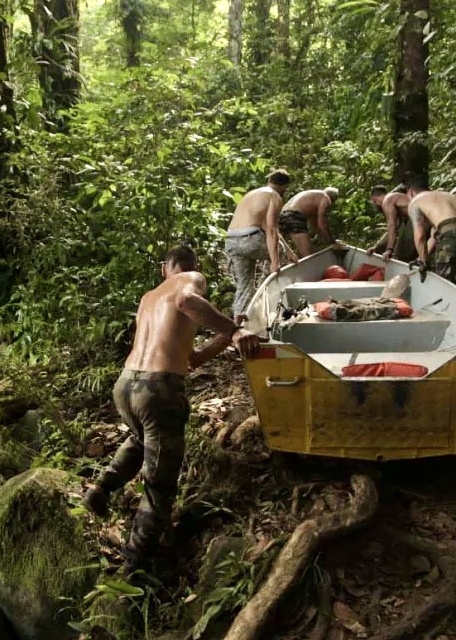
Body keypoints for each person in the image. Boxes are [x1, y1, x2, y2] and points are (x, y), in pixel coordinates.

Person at [83, 245, 262, 575]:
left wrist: (228, 335)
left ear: (166, 267)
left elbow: (190, 359)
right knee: (160, 487)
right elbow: (187, 301)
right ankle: (136, 565)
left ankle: (100, 490)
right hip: (159, 390)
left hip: (126, 385)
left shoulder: (149, 297)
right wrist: (234, 331)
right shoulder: (189, 279)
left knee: (141, 440)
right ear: (185, 267)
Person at [225, 169, 291, 324]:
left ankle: (238, 326)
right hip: (251, 241)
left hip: (232, 242)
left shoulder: (252, 194)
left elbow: (264, 226)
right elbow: (271, 230)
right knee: (277, 251)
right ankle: (266, 291)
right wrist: (276, 262)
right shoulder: (274, 196)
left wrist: (289, 250)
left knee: (244, 287)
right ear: (284, 188)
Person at [404, 177, 456, 291]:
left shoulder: (415, 201)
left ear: (411, 193)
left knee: (446, 284)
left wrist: (424, 264)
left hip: (452, 233)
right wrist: (422, 257)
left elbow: (420, 236)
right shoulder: (444, 196)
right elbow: (435, 236)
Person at [277, 187, 342, 258]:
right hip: (294, 216)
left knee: (293, 252)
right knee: (308, 257)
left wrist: (326, 240)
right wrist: (332, 242)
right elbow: (322, 224)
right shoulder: (325, 198)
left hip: (281, 216)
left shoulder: (313, 197)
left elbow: (315, 225)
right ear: (333, 198)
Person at [367, 185, 418, 262]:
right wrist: (376, 247)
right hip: (424, 217)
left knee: (400, 253)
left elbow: (392, 226)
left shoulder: (387, 200)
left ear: (374, 199)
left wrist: (389, 249)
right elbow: (392, 231)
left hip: (419, 216)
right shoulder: (398, 204)